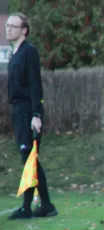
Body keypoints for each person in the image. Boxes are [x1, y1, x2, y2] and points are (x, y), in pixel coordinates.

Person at [5, 12, 57, 219]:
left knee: (30, 158)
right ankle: (43, 205)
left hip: (28, 110)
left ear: (24, 30)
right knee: (29, 159)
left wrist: (37, 114)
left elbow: (35, 85)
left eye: (13, 26)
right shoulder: (15, 53)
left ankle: (33, 207)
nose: (8, 29)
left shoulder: (29, 52)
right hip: (18, 110)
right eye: (7, 25)